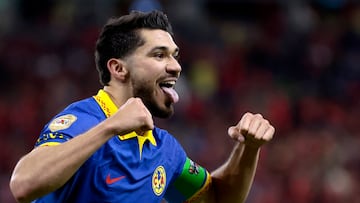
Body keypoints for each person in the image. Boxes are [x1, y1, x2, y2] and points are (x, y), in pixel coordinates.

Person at [9, 10, 274, 203]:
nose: (176, 66)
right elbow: (23, 184)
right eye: (159, 55)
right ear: (118, 68)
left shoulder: (164, 149)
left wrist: (248, 148)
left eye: (175, 56)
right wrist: (110, 127)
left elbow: (217, 198)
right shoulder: (83, 121)